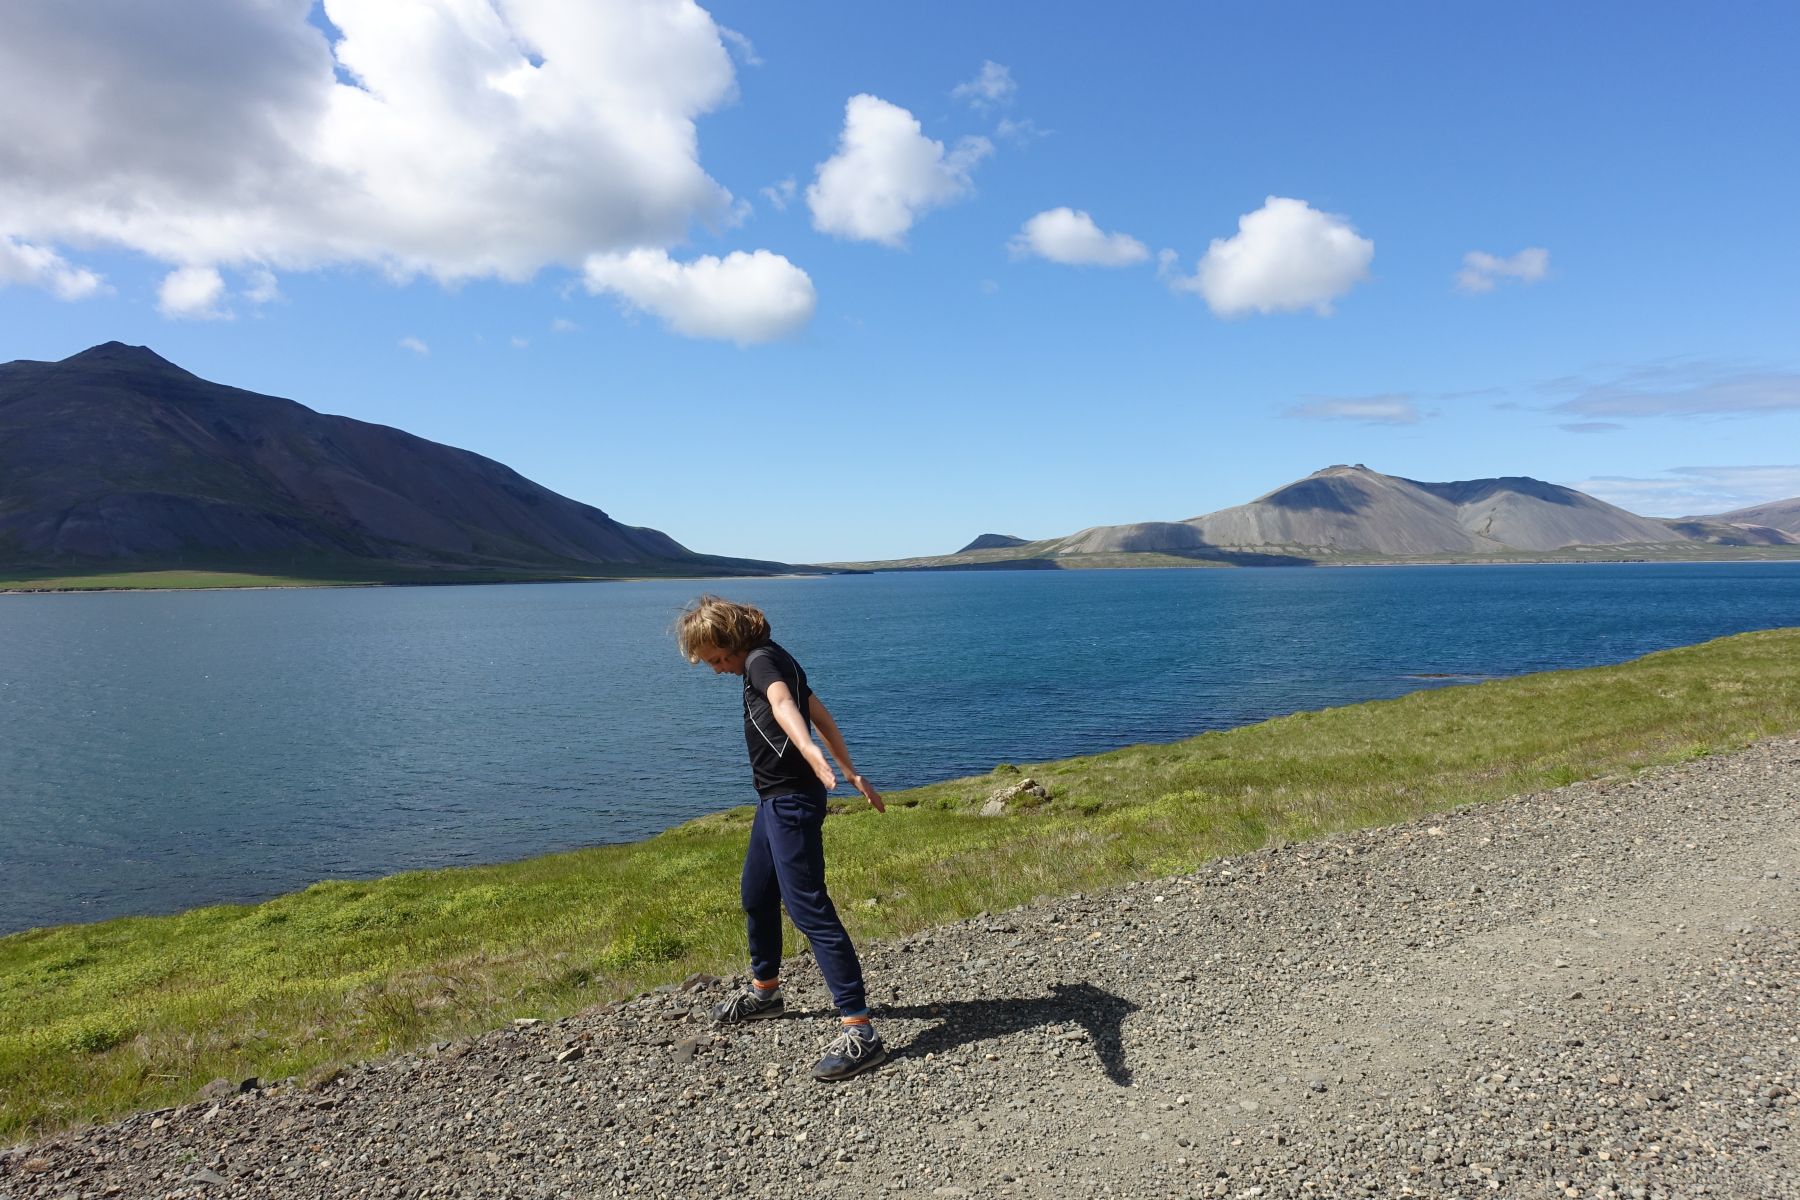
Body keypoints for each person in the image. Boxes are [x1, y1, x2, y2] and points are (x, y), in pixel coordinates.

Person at [674, 595, 889, 1081]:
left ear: (730, 641)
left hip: (792, 802)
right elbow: (821, 713)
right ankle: (766, 992)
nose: (716, 670)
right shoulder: (775, 656)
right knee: (757, 892)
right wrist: (851, 771)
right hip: (773, 802)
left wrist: (811, 753)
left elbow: (784, 704)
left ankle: (860, 1030)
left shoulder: (760, 661)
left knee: (809, 908)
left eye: (715, 659)